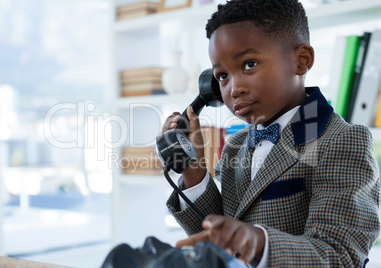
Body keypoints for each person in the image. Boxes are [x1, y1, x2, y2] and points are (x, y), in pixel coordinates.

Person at [160, 0, 381, 267]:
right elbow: (218, 237)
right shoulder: (236, 145)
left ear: (301, 61)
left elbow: (340, 254)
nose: (234, 88)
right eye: (222, 76)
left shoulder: (343, 141)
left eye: (249, 64)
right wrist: (193, 171)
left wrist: (257, 243)